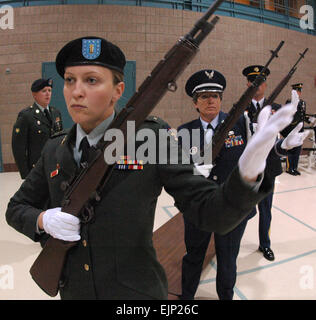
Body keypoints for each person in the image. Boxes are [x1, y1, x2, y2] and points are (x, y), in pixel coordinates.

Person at [6, 36, 296, 300]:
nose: (76, 92)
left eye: (92, 80)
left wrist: (249, 173)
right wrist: (43, 219)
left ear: (118, 90)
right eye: (70, 80)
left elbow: (211, 212)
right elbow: (16, 207)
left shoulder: (151, 139)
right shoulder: (54, 149)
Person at [178, 69, 306, 300]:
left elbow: (258, 156)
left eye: (215, 96)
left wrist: (280, 148)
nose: (211, 101)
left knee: (228, 258)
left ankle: (225, 296)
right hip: (198, 209)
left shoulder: (239, 122)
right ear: (195, 103)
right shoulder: (184, 132)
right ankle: (186, 297)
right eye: (204, 96)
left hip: (232, 207)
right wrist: (192, 172)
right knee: (194, 255)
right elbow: (175, 173)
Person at [12, 79, 63, 179]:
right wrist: (25, 174)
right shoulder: (26, 116)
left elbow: (60, 140)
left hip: (55, 165)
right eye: (44, 91)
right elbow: (18, 147)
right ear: (34, 94)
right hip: (37, 168)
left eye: (50, 90)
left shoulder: (56, 113)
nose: (48, 94)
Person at [282, 83, 310, 175]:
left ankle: (294, 167)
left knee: (298, 149)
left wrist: (308, 120)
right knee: (291, 149)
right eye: (297, 91)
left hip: (300, 129)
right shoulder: (289, 102)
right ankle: (289, 168)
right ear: (293, 91)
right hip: (292, 129)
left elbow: (302, 114)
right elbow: (289, 115)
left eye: (300, 91)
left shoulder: (302, 102)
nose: (299, 93)